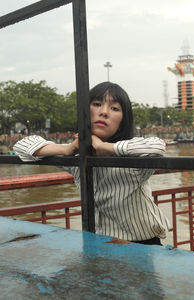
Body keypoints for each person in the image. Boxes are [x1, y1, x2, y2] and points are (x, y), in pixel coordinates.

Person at [13, 81, 169, 245]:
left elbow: (157, 146)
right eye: (96, 104)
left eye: (114, 108)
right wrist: (66, 149)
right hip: (100, 242)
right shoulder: (79, 156)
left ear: (124, 120)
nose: (103, 112)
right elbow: (22, 146)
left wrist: (105, 147)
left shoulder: (133, 160)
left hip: (141, 243)